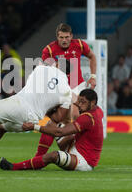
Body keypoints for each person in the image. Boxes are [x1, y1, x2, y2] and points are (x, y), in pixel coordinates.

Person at [0, 59, 74, 170]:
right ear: (67, 75)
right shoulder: (67, 92)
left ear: (57, 64)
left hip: (19, 104)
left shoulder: (41, 68)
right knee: (0, 128)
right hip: (32, 119)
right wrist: (47, 109)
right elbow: (58, 118)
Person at [0, 89, 104, 172]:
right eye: (79, 101)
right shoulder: (98, 110)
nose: (80, 105)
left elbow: (60, 132)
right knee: (52, 124)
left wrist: (34, 127)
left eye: (83, 102)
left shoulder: (87, 118)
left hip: (83, 161)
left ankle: (14, 167)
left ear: (93, 102)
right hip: (74, 147)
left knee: (54, 155)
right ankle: (38, 160)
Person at [36, 23, 97, 157]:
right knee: (55, 122)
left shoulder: (80, 44)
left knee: (75, 117)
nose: (64, 40)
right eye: (61, 37)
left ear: (71, 36)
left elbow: (92, 56)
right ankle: (40, 157)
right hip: (59, 88)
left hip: (77, 86)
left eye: (67, 37)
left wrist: (93, 76)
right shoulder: (49, 50)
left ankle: (68, 152)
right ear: (57, 37)